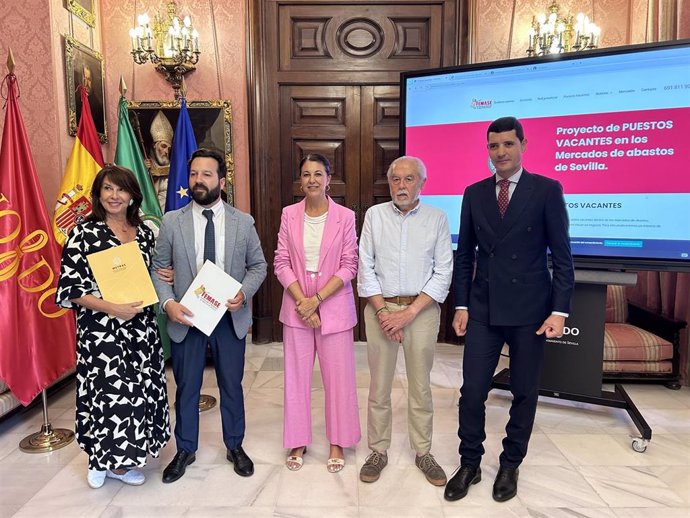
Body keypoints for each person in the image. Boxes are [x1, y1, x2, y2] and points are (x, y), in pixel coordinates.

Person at [445, 116, 574, 503]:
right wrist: (462, 303)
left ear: (522, 145)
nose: (500, 152)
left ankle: (510, 463)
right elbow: (465, 255)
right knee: (471, 392)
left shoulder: (547, 190)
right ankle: (469, 462)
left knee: (523, 391)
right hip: (483, 307)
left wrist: (559, 311)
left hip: (532, 310)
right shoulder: (475, 192)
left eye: (507, 144)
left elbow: (563, 257)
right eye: (493, 146)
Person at [152, 147, 267, 483]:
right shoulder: (171, 221)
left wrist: (243, 292)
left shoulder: (243, 222)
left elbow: (258, 266)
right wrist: (168, 304)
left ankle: (235, 445)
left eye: (205, 174)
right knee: (187, 386)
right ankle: (185, 448)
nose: (198, 180)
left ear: (221, 179)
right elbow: (159, 267)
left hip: (229, 320)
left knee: (231, 385)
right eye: (193, 174)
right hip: (186, 319)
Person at [55, 165, 171, 489]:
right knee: (109, 396)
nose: (114, 196)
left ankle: (125, 459)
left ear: (134, 195)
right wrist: (112, 308)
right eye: (108, 189)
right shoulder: (84, 233)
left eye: (121, 189)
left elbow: (150, 277)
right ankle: (101, 460)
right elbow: (70, 289)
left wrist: (164, 277)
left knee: (137, 394)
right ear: (99, 194)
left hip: (141, 331)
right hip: (101, 333)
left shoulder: (145, 233)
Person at [357, 155, 453, 486]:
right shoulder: (374, 216)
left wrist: (409, 313)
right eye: (396, 179)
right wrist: (384, 313)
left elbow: (443, 271)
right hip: (380, 309)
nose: (401, 185)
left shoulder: (437, 218)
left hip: (421, 312)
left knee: (421, 387)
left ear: (422, 183)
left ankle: (423, 451)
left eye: (409, 179)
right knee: (379, 387)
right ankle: (378, 450)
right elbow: (364, 265)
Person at [274, 153, 361, 473]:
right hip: (296, 305)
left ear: (328, 178)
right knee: (295, 378)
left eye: (318, 174)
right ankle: (298, 439)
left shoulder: (345, 217)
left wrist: (317, 300)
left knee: (338, 379)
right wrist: (303, 301)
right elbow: (281, 261)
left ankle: (338, 440)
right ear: (300, 180)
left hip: (334, 307)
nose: (312, 179)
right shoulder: (289, 214)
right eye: (306, 174)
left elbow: (350, 264)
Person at [144, 110, 174, 212]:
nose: (166, 152)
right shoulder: (145, 164)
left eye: (169, 149)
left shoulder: (174, 167)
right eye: (163, 146)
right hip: (152, 214)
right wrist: (146, 172)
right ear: (154, 146)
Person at [75, 62, 104, 135]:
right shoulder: (76, 101)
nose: (86, 82)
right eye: (84, 78)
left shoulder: (97, 103)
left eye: (89, 79)